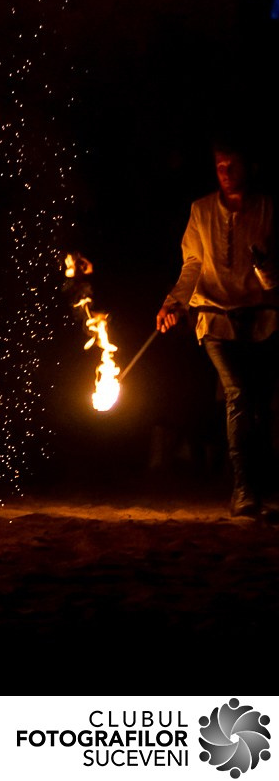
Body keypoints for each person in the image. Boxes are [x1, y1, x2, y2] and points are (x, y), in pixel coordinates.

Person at [157, 136, 276, 518]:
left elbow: (275, 282)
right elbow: (192, 264)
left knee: (257, 405)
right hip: (214, 320)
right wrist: (174, 301)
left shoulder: (267, 208)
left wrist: (262, 264)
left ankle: (255, 483)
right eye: (220, 167)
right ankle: (243, 490)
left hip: (262, 321)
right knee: (238, 393)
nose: (225, 173)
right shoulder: (201, 210)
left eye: (233, 166)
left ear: (248, 167)